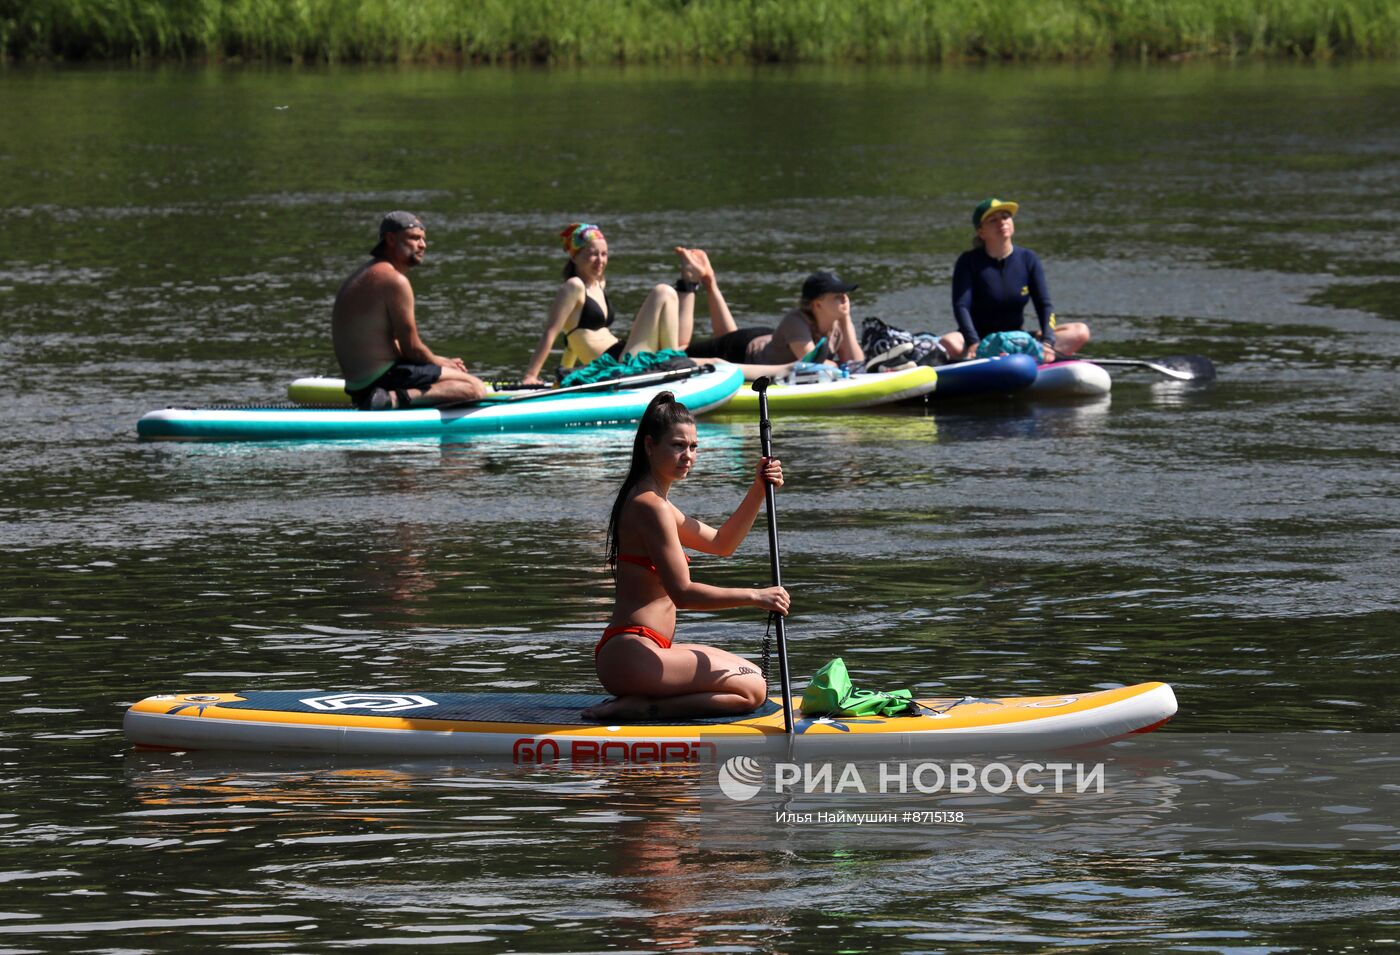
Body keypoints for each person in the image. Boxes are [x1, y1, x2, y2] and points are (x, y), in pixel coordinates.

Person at [583, 393, 790, 722]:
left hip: (645, 652)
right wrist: (756, 596)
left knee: (752, 680)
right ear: (650, 446)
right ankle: (644, 708)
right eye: (678, 446)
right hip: (631, 654)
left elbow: (723, 543)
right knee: (753, 688)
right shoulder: (649, 506)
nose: (688, 456)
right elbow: (682, 592)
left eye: (693, 447)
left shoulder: (658, 505)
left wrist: (758, 488)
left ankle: (642, 702)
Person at [331, 211, 487, 410]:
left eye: (423, 239)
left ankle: (383, 396)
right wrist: (441, 363)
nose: (423, 245)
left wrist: (437, 365)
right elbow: (411, 348)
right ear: (390, 239)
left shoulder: (367, 273)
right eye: (414, 238)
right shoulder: (395, 281)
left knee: (446, 373)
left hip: (357, 384)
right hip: (381, 379)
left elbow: (392, 344)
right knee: (474, 387)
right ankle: (391, 399)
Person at [521, 223, 688, 386]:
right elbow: (551, 332)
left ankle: (673, 362)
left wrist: (565, 372)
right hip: (617, 363)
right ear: (574, 256)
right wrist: (531, 375)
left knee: (667, 296)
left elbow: (572, 343)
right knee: (663, 292)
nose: (600, 260)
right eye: (593, 254)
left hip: (622, 351)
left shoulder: (598, 285)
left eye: (604, 254)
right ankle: (673, 364)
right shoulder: (573, 287)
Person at [939, 198, 1090, 362]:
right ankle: (985, 357)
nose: (1001, 222)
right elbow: (961, 306)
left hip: (1017, 339)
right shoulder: (968, 261)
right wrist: (973, 341)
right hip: (980, 340)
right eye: (993, 220)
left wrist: (1048, 341)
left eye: (1005, 217)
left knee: (1080, 331)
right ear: (981, 232)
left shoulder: (1028, 258)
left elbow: (1044, 305)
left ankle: (1037, 354)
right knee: (949, 342)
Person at [677, 248, 865, 374]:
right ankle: (689, 282)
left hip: (768, 338)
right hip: (744, 349)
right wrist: (840, 365)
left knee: (725, 336)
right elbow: (809, 364)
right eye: (837, 296)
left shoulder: (837, 323)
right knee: (679, 351)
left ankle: (709, 282)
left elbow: (856, 363)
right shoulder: (796, 321)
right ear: (817, 304)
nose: (845, 299)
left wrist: (846, 319)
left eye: (845, 295)